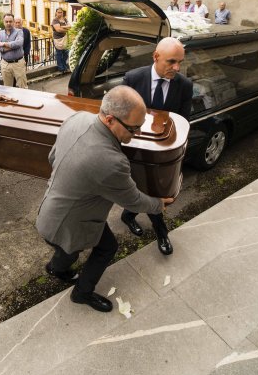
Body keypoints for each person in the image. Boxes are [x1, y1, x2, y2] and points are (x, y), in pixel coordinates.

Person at [37, 87, 173, 313]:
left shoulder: (77, 118)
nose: (137, 133)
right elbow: (133, 201)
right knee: (104, 248)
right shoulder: (111, 162)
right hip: (68, 225)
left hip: (50, 208)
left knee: (66, 252)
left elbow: (53, 157)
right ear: (110, 119)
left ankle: (55, 269)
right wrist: (160, 204)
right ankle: (81, 293)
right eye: (133, 128)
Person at [121, 37, 193, 255]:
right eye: (171, 61)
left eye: (180, 62)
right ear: (156, 57)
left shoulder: (184, 86)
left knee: (154, 192)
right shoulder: (132, 79)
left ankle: (152, 227)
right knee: (139, 189)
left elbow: (183, 122)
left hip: (162, 155)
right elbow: (120, 114)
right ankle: (136, 219)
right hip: (134, 151)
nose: (177, 68)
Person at [0, 13, 28, 88]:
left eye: (10, 21)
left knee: (22, 87)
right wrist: (11, 46)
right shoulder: (0, 34)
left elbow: (18, 43)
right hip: (5, 64)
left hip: (18, 64)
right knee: (7, 88)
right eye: (6, 21)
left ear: (13, 22)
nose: (8, 23)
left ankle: (23, 100)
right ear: (3, 22)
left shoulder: (19, 32)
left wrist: (3, 43)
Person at [51, 7, 71, 73]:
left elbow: (70, 26)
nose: (60, 14)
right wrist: (66, 29)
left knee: (66, 53)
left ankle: (64, 66)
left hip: (64, 38)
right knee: (59, 54)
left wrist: (62, 26)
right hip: (57, 39)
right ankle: (61, 68)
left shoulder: (64, 19)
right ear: (56, 13)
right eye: (58, 12)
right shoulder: (55, 20)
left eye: (61, 12)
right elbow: (58, 30)